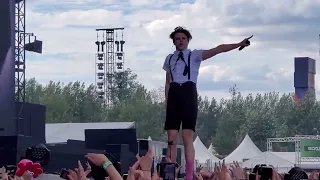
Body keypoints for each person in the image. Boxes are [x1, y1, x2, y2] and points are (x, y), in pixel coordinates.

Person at [163, 26, 252, 180]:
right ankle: (170, 172)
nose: (181, 41)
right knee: (171, 136)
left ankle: (189, 175)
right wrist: (166, 100)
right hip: (174, 94)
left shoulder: (195, 55)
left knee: (187, 135)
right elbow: (167, 82)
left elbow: (218, 49)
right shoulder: (169, 58)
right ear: (174, 42)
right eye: (177, 39)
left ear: (188, 40)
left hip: (189, 92)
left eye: (183, 38)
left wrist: (239, 44)